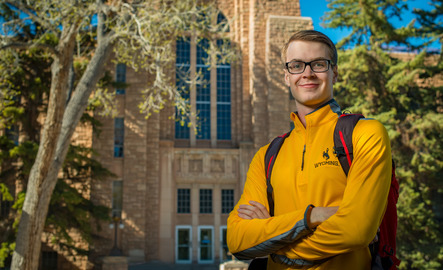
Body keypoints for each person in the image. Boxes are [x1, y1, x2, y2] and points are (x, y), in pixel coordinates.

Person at [227, 30, 392, 269]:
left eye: (318, 64)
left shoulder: (365, 134)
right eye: (296, 65)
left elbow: (356, 230)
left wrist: (273, 245)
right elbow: (236, 240)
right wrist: (312, 217)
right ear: (286, 76)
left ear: (334, 72)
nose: (307, 73)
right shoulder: (266, 156)